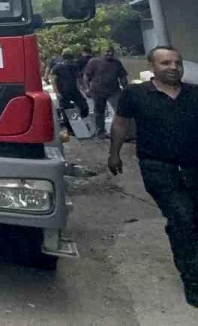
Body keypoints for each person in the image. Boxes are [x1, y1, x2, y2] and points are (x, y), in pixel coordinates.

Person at [109, 46, 198, 307]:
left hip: (194, 168)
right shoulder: (135, 94)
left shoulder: (194, 94)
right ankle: (193, 283)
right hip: (158, 168)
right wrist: (114, 154)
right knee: (183, 218)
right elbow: (120, 123)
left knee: (193, 221)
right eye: (166, 62)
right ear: (152, 66)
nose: (173, 67)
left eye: (177, 62)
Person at [84, 47, 128, 137]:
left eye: (112, 52)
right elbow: (86, 76)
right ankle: (100, 132)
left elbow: (122, 77)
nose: (110, 53)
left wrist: (126, 89)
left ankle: (124, 132)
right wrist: (87, 89)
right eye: (107, 52)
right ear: (101, 52)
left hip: (114, 90)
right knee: (99, 112)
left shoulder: (117, 62)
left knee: (121, 110)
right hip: (98, 91)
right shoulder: (93, 61)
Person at [51, 49, 88, 119]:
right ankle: (71, 125)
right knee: (68, 110)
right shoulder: (59, 66)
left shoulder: (73, 65)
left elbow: (78, 79)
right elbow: (53, 80)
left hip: (69, 90)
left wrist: (82, 88)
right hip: (65, 91)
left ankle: (78, 121)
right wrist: (57, 92)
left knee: (81, 106)